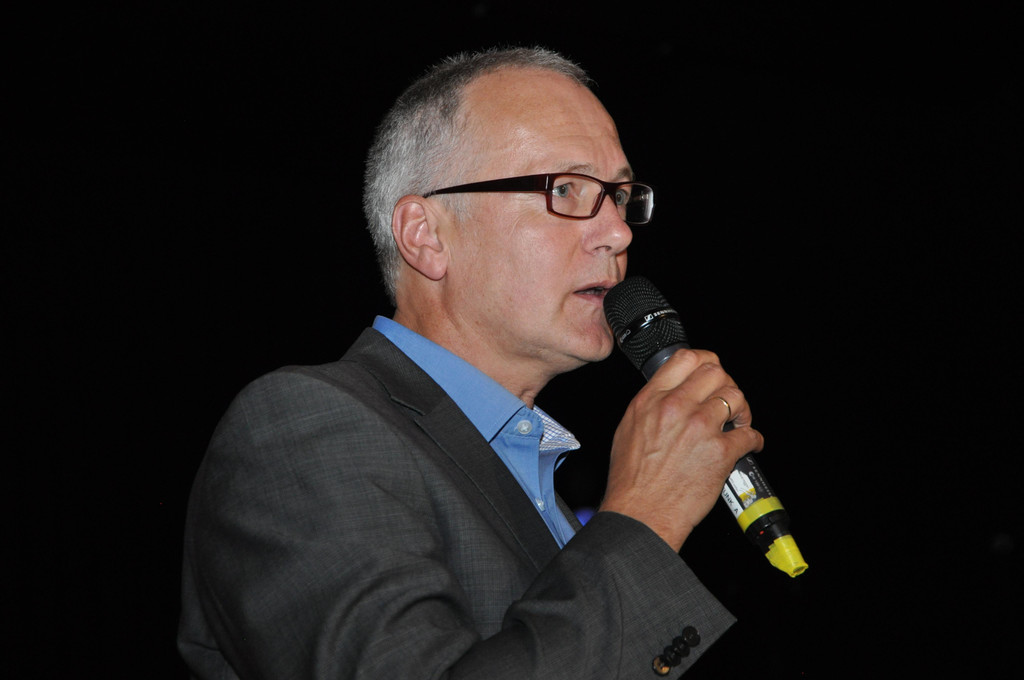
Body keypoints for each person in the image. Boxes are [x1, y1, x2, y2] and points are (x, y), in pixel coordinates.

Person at [178, 46, 764, 679]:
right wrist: (645, 516)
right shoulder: (302, 427)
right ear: (425, 235)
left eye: (619, 196)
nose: (618, 232)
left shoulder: (537, 481)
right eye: (565, 189)